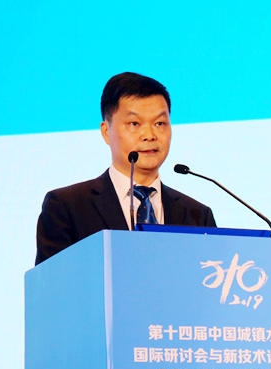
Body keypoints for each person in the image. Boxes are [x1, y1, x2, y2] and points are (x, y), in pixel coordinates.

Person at [35, 72, 216, 265]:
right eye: (134, 124)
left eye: (160, 123)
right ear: (106, 131)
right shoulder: (67, 207)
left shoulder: (198, 215)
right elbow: (52, 282)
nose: (149, 135)